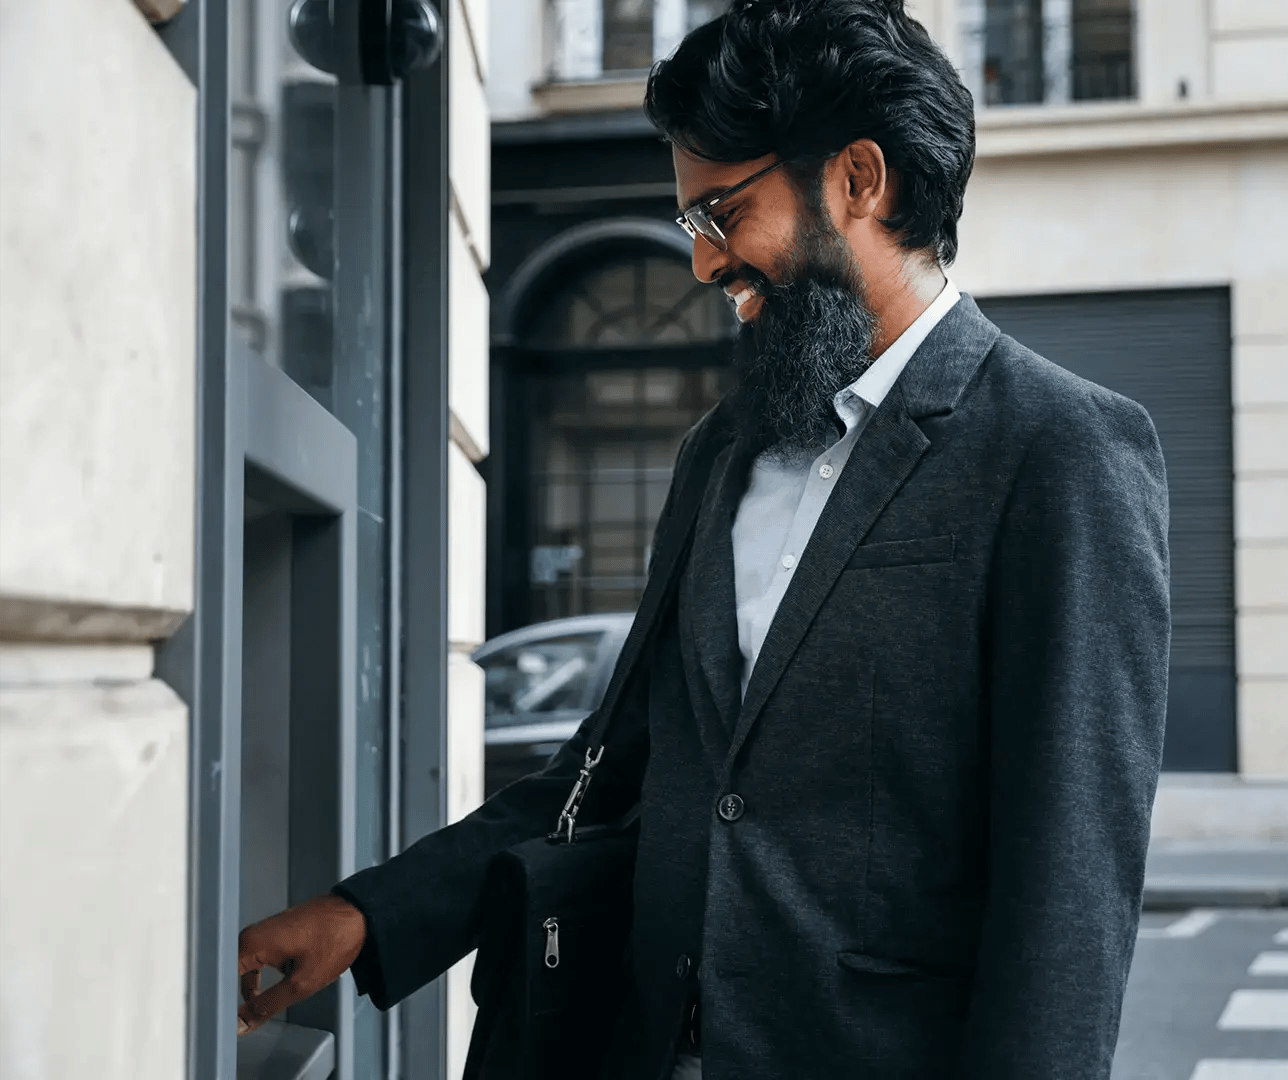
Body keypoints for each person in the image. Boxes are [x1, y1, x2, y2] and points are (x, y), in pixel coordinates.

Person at [233, 0, 1171, 1075]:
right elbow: (613, 765)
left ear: (859, 180)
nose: (704, 263)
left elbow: (1068, 884)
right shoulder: (721, 452)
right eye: (694, 225)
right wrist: (368, 915)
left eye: (723, 213)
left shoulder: (1061, 450)